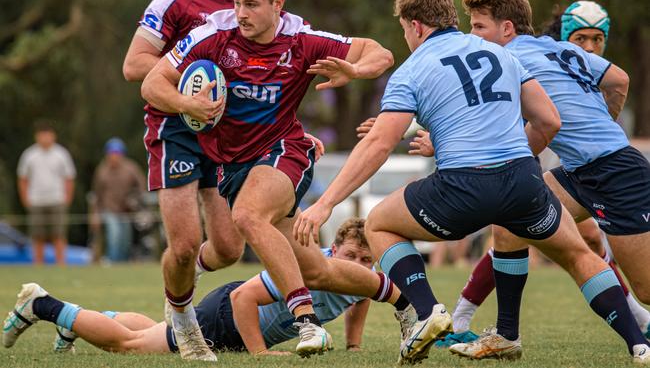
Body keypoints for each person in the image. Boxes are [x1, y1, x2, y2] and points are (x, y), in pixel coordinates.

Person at [294, 0, 650, 365]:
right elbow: (548, 120)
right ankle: (637, 344)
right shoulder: (503, 55)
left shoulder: (412, 69)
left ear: (415, 26)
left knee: (379, 223)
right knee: (576, 252)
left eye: (404, 30)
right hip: (522, 181)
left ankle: (429, 312)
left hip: (464, 187)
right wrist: (509, 170)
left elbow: (379, 144)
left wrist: (325, 204)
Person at [141, 0, 394, 358]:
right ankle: (405, 302)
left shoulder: (302, 39)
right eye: (237, 2)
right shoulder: (211, 35)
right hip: (233, 166)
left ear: (278, 4)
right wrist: (187, 104)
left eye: (252, 4)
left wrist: (355, 70)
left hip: (286, 151)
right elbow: (152, 83)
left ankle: (306, 321)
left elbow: (379, 52)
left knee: (246, 216)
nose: (240, 12)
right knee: (315, 267)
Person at [446, 0, 650, 345]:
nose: (473, 36)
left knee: (646, 288)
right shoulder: (552, 48)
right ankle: (506, 335)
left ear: (506, 28)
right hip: (577, 173)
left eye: (479, 27)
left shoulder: (509, 58)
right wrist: (602, 119)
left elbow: (542, 125)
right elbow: (618, 79)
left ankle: (640, 319)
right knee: (510, 221)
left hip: (617, 173)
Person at [2, 218, 404, 358]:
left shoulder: (359, 281)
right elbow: (243, 297)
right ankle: (45, 306)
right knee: (128, 346)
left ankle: (77, 323)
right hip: (225, 318)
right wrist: (259, 355)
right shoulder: (313, 263)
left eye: (367, 262)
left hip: (227, 320)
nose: (358, 267)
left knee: (146, 331)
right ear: (333, 249)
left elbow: (360, 300)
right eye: (351, 255)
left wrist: (354, 346)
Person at [122, 0, 248, 361]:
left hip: (222, 130)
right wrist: (190, 79)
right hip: (174, 127)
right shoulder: (174, 0)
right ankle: (184, 322)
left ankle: (182, 280)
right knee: (184, 243)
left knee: (229, 248)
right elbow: (134, 63)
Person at [17, 121, 76, 265]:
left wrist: (67, 199)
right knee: (38, 236)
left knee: (59, 234)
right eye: (42, 135)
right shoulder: (29, 155)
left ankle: (61, 263)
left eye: (47, 135)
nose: (45, 138)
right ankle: (38, 264)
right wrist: (26, 199)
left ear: (53, 136)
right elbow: (23, 179)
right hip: (36, 201)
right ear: (37, 137)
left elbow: (69, 178)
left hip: (57, 200)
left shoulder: (61, 154)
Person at [90, 138, 146, 262]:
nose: (114, 157)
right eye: (112, 154)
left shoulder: (131, 168)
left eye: (117, 154)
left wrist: (134, 199)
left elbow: (142, 187)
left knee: (125, 241)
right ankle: (113, 262)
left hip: (127, 210)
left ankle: (122, 264)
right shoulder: (102, 171)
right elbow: (96, 194)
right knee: (114, 237)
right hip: (109, 209)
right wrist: (95, 214)